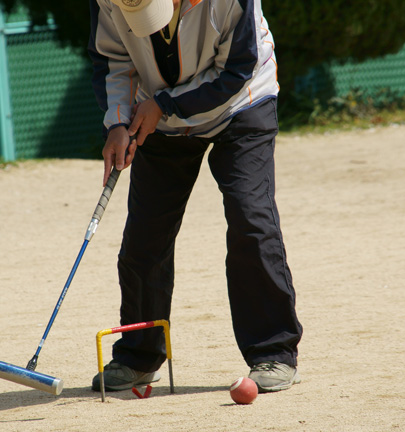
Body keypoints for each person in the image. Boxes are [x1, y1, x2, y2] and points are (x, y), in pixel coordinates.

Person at [87, 0, 302, 393]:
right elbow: (112, 57)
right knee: (144, 236)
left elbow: (235, 69)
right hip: (159, 117)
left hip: (241, 103)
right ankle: (139, 354)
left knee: (250, 219)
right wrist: (117, 121)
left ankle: (274, 351)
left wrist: (164, 105)